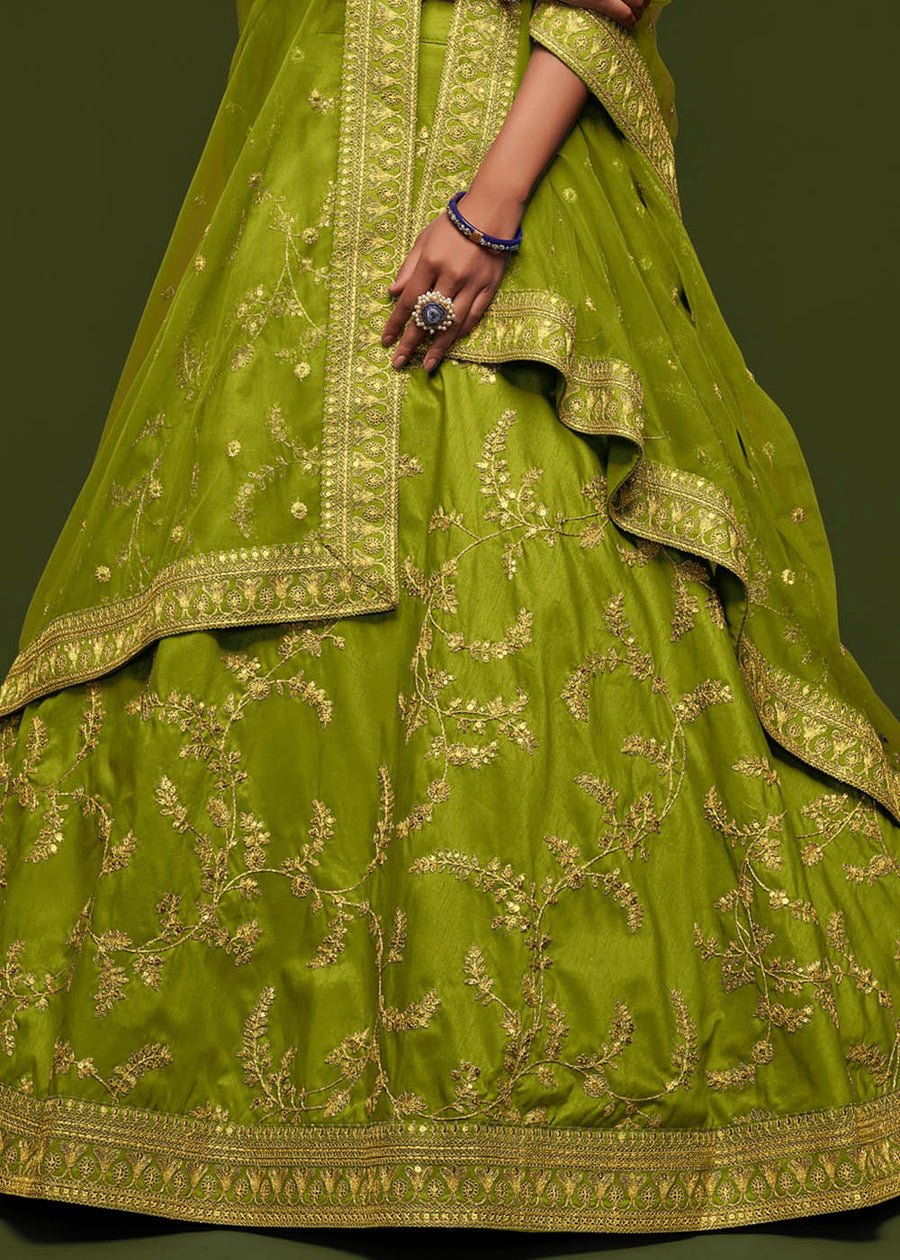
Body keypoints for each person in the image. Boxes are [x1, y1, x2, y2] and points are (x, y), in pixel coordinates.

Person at [0, 0, 898, 1234]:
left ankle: (553, 1095)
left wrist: (489, 206)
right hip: (308, 190)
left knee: (544, 593)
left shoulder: (490, 209)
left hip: (493, 190)